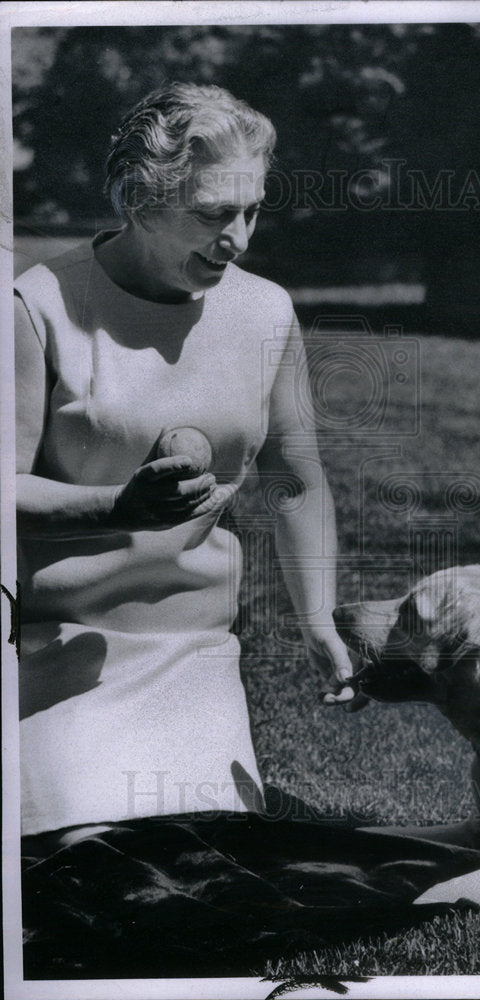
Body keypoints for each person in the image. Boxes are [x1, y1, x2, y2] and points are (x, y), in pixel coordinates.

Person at [15, 82, 356, 848]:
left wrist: (318, 625)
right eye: (211, 215)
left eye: (251, 210)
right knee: (85, 860)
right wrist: (118, 509)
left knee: (200, 860)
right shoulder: (35, 306)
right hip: (56, 649)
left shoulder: (265, 309)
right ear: (137, 199)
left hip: (195, 653)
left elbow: (294, 479)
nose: (238, 238)